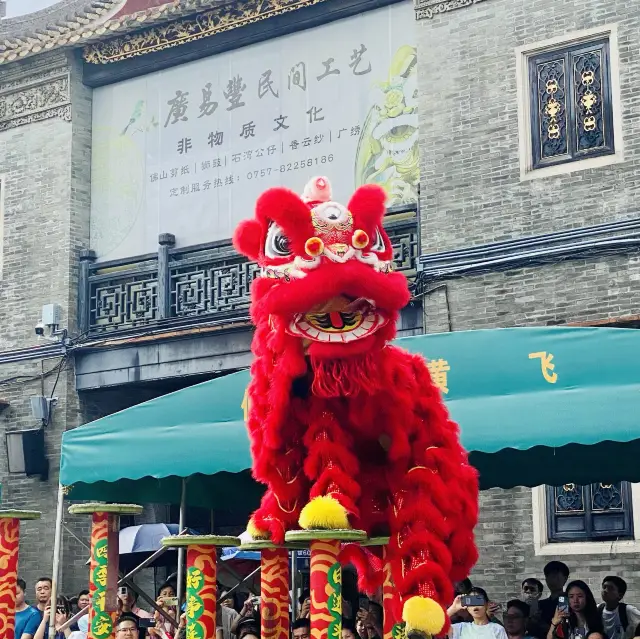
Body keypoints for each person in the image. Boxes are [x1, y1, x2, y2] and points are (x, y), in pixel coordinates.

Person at [540, 563, 571, 627]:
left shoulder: (572, 602)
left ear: (565, 579)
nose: (551, 579)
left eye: (554, 575)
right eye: (548, 575)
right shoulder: (540, 605)